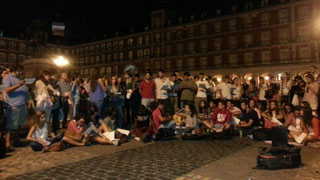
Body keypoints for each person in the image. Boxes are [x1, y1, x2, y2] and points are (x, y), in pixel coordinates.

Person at [2, 65, 28, 149]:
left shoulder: (19, 78)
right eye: (19, 71)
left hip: (22, 104)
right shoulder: (8, 78)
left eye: (21, 71)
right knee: (11, 124)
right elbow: (7, 90)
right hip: (14, 105)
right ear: (13, 70)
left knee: (19, 123)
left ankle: (17, 140)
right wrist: (19, 85)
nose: (20, 72)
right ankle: (8, 143)